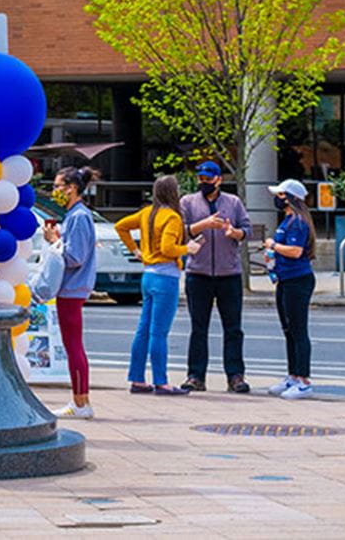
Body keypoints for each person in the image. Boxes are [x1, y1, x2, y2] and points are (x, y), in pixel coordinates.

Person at [115, 175, 201, 395]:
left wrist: (136, 251)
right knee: (159, 332)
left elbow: (120, 226)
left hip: (148, 275)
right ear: (173, 193)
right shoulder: (172, 217)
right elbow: (168, 248)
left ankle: (137, 378)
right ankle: (161, 381)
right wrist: (188, 249)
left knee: (143, 329)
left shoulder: (147, 213)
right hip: (166, 277)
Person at [179, 160, 253, 394]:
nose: (204, 183)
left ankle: (235, 376)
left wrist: (235, 233)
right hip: (198, 273)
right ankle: (195, 376)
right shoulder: (188, 202)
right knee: (198, 327)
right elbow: (181, 230)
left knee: (233, 328)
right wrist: (205, 224)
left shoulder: (233, 202)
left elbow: (247, 230)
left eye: (208, 179)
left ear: (219, 180)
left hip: (228, 273)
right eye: (201, 179)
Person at [42, 166, 98, 419]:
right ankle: (80, 400)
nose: (55, 192)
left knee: (73, 345)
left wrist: (54, 241)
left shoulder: (78, 216)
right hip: (74, 287)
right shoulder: (78, 215)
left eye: (57, 186)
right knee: (73, 344)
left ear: (71, 188)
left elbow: (75, 256)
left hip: (72, 287)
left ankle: (80, 401)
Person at [263, 179, 316, 400]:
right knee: (288, 330)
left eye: (281, 195)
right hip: (285, 279)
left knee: (298, 330)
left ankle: (303, 380)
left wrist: (273, 246)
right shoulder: (288, 221)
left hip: (297, 280)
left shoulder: (298, 223)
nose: (277, 198)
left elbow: (295, 251)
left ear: (291, 198)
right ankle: (293, 375)